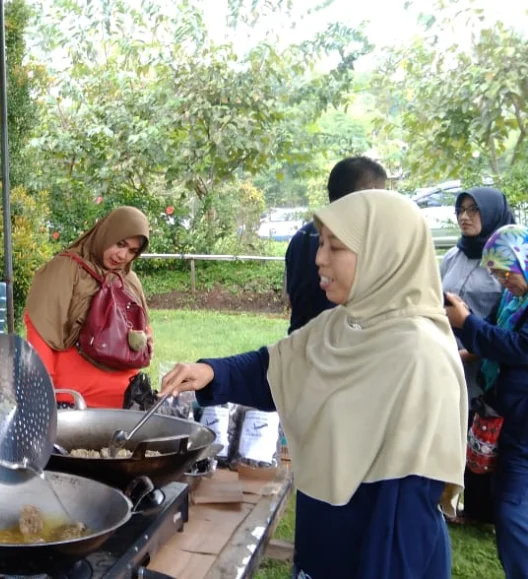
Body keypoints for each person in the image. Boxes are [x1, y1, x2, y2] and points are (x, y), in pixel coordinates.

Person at [162, 190, 467, 578]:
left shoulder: (420, 357)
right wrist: (212, 372)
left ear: (384, 254)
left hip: (379, 547)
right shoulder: (341, 324)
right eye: (320, 243)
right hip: (325, 531)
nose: (319, 258)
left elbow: (407, 507)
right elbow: (276, 368)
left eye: (335, 246)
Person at [446, 224, 528, 577]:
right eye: (495, 273)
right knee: (508, 505)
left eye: (505, 273)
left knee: (511, 511)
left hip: (523, 425)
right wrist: (461, 352)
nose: (501, 281)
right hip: (511, 416)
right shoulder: (515, 298)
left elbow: (518, 347)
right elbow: (496, 334)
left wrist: (468, 322)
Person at [24, 206, 151, 409]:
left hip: (126, 403)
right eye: (120, 243)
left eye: (132, 251)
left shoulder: (129, 279)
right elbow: (40, 328)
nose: (122, 255)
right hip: (74, 401)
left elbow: (144, 333)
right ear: (106, 233)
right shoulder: (65, 269)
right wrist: (42, 391)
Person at [439, 187, 514, 524]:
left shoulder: (508, 261)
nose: (465, 216)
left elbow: (507, 319)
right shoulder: (451, 257)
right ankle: (442, 499)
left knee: (480, 435)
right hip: (443, 359)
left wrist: (470, 352)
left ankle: (481, 510)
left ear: (493, 213)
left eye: (474, 210)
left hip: (485, 365)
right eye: (461, 209)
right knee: (447, 432)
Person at [284, 156, 387, 333]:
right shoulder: (361, 239)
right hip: (336, 346)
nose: (321, 260)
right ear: (368, 193)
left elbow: (288, 296)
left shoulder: (301, 236)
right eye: (383, 195)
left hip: (303, 341)